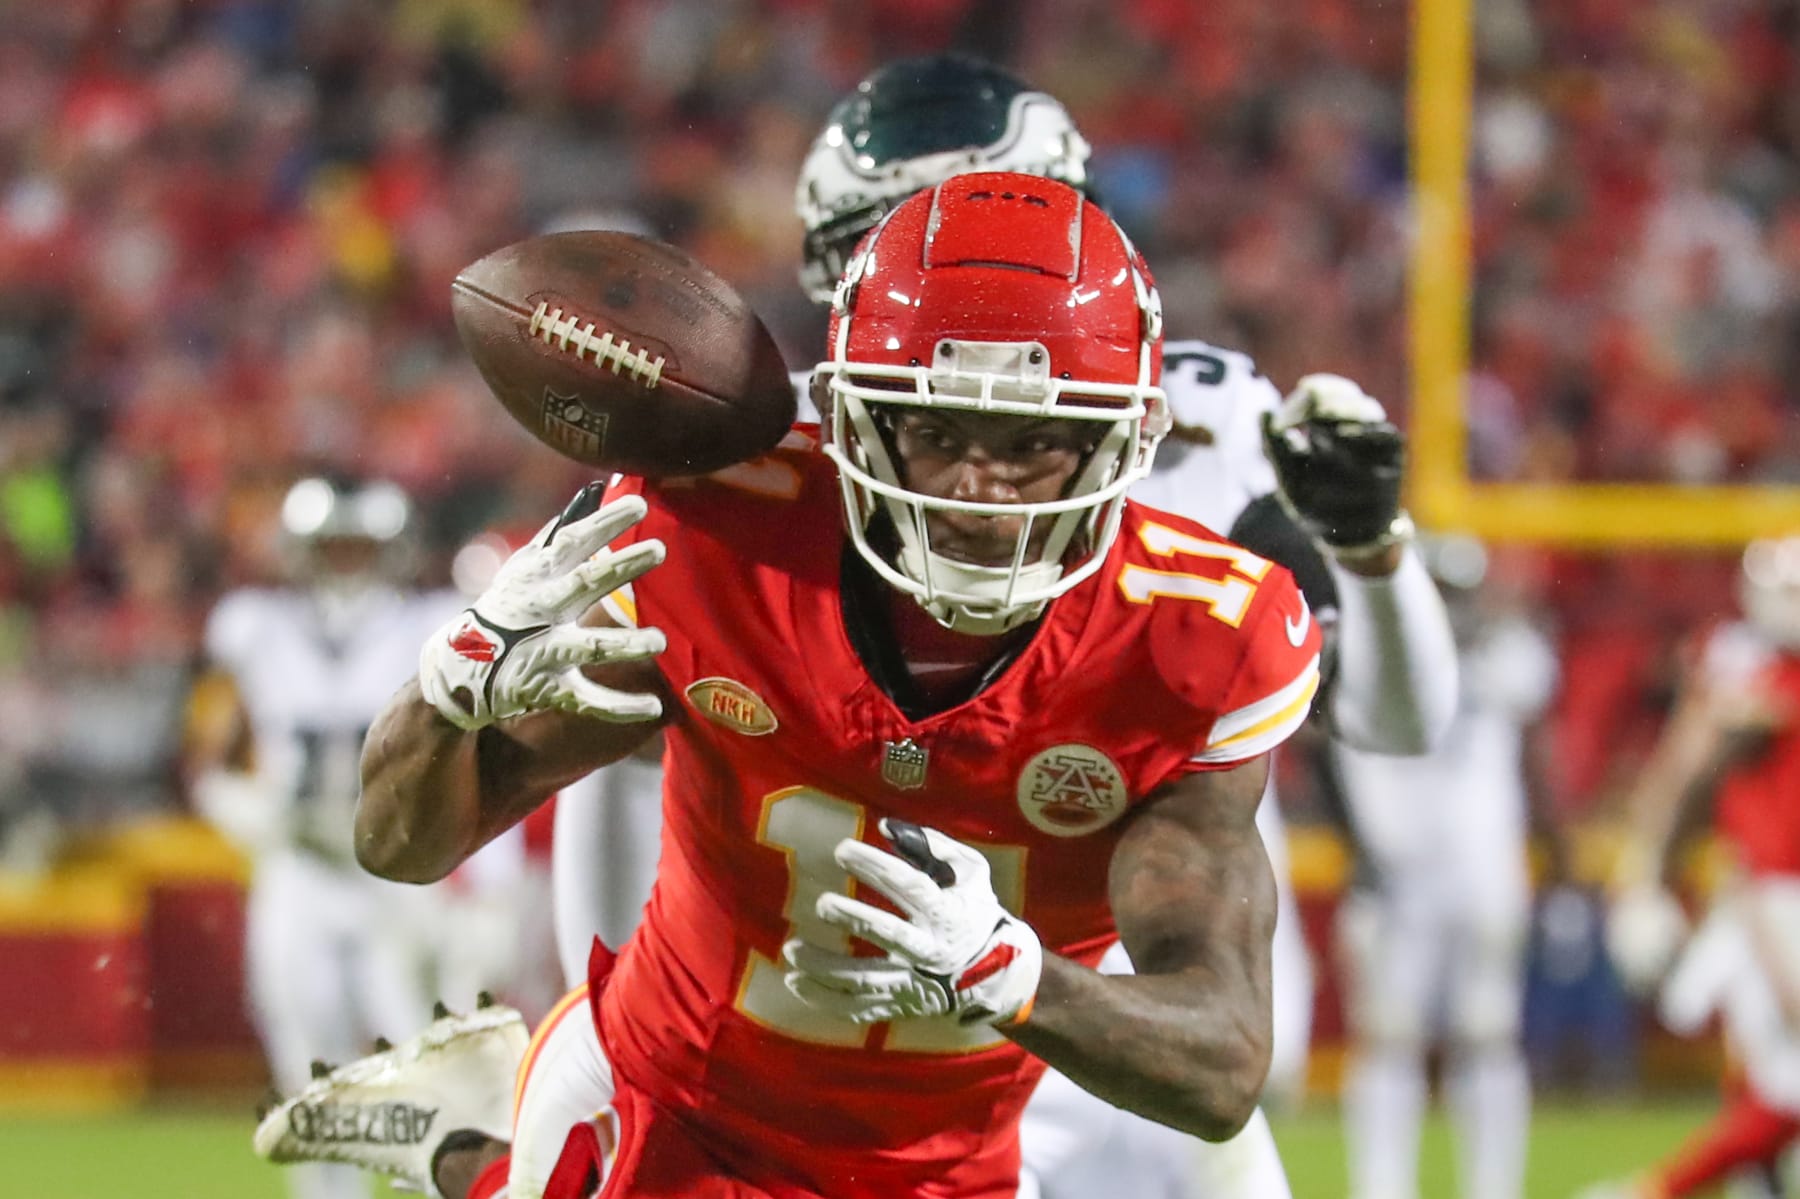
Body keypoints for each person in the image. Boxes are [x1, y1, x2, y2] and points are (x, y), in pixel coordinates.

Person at [260, 172, 1321, 1199]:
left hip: (945, 1157)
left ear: (1125, 438)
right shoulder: (717, 528)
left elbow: (1224, 1062)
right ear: (857, 414)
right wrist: (450, 686)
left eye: (1035, 442)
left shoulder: (1198, 639)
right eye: (935, 430)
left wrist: (1011, 971)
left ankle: (464, 1133)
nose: (974, 489)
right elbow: (400, 842)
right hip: (671, 1085)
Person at [550, 54, 1460, 1199]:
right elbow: (630, 762)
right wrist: (591, 1003)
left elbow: (1393, 718)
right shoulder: (785, 463)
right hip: (831, 1009)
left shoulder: (1196, 422)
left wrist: (1374, 554)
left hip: (1103, 992)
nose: (947, 263)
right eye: (891, 231)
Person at [185, 475, 466, 1199]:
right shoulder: (255, 627)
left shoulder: (428, 621)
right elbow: (207, 750)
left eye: (358, 546)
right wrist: (240, 804)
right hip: (301, 870)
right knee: (310, 1061)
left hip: (398, 872)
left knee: (422, 1060)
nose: (346, 561)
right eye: (332, 546)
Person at [1329, 537, 1562, 1199]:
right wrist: (1358, 846)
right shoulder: (1369, 650)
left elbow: (1539, 761)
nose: (1454, 606)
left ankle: (1493, 1188)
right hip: (1396, 870)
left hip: (1481, 872)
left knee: (1487, 1035)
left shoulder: (1509, 655)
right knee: (1387, 1038)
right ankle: (1381, 1188)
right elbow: (1321, 745)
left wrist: (1563, 857)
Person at [1582, 536, 1800, 1199]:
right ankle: (1656, 1188)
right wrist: (1642, 872)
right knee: (1787, 1080)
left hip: (1772, 889)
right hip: (1772, 893)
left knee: (1771, 1073)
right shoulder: (1754, 677)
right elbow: (1687, 768)